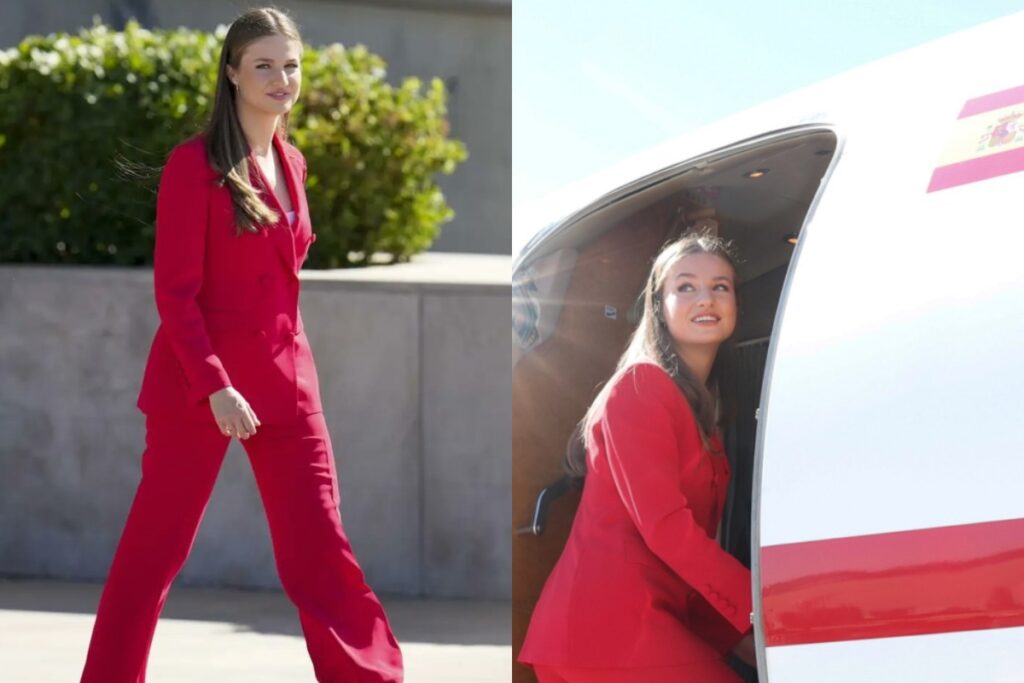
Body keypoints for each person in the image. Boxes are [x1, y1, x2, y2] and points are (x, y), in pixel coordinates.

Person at [80, 8, 403, 682]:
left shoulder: (293, 161)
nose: (281, 78)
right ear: (231, 73)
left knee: (322, 548)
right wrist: (216, 384)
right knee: (153, 557)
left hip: (289, 382)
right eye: (264, 64)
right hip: (201, 386)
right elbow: (174, 294)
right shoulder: (192, 166)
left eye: (290, 65)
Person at [519, 231, 757, 682]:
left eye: (720, 286)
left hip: (648, 623)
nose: (705, 297)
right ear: (658, 306)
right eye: (685, 286)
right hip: (603, 629)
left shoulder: (702, 411)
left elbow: (684, 570)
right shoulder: (641, 387)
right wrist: (759, 607)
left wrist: (741, 638)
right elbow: (668, 531)